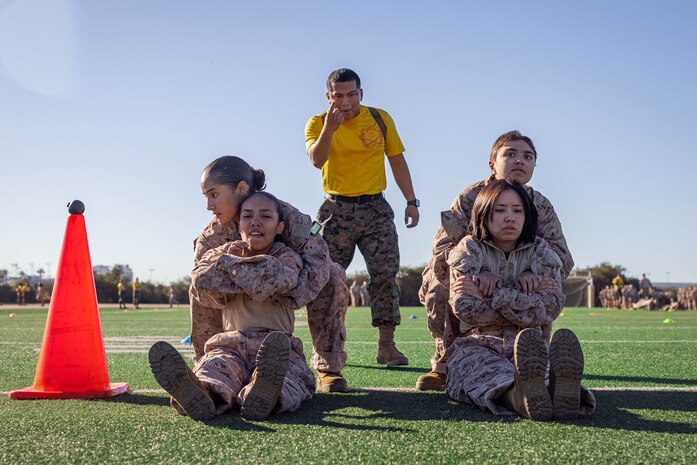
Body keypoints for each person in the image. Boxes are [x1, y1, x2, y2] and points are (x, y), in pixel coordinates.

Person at [418, 130, 574, 391]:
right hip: (475, 279)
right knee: (436, 283)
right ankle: (445, 362)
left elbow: (561, 256)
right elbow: (444, 249)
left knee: (548, 285)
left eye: (528, 156)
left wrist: (533, 275)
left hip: (522, 277)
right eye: (510, 154)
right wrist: (475, 274)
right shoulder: (471, 198)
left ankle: (534, 354)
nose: (519, 161)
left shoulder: (540, 205)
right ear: (492, 164)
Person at [150, 192, 316, 421]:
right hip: (230, 345)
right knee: (215, 369)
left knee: (291, 377)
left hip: (275, 347)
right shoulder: (224, 250)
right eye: (248, 216)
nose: (255, 221)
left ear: (280, 227)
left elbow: (279, 278)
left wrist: (231, 268)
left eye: (265, 216)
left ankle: (264, 393)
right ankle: (202, 393)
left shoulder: (286, 255)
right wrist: (241, 268)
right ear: (239, 225)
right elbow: (202, 278)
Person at [189, 156, 350, 393]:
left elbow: (318, 261)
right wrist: (247, 277)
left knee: (334, 274)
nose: (209, 206)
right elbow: (201, 282)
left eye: (214, 194)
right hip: (236, 313)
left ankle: (328, 366)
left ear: (241, 188)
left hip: (284, 290)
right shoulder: (212, 235)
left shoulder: (285, 217)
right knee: (195, 287)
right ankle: (209, 369)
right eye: (206, 197)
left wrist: (281, 288)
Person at [445, 179, 595, 420]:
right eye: (500, 210)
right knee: (484, 375)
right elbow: (466, 309)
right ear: (484, 214)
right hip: (478, 344)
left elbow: (549, 308)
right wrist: (524, 292)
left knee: (538, 373)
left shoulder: (541, 251)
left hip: (529, 346)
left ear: (527, 217)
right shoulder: (469, 249)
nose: (510, 218)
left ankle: (559, 393)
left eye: (517, 211)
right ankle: (523, 399)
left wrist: (496, 290)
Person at [305, 68, 419, 367]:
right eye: (339, 96)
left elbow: (397, 160)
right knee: (328, 280)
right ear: (328, 96)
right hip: (335, 211)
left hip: (375, 209)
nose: (346, 102)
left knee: (385, 274)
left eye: (352, 94)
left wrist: (411, 200)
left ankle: (387, 346)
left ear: (361, 93)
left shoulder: (380, 119)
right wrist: (330, 128)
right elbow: (317, 160)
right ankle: (328, 349)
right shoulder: (317, 123)